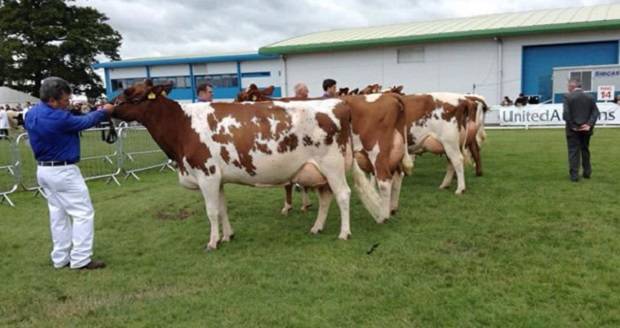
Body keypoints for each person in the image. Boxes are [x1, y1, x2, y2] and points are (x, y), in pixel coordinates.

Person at [24, 77, 114, 270]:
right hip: (63, 171)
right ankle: (81, 258)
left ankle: (60, 258)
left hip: (44, 170)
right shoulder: (59, 118)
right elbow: (85, 121)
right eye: (65, 99)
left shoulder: (31, 114)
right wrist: (104, 112)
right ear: (52, 100)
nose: (68, 103)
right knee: (83, 213)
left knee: (58, 215)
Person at [562, 79, 599, 182]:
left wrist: (573, 125)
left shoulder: (567, 97)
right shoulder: (590, 97)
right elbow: (595, 112)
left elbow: (566, 114)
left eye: (568, 86)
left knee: (573, 152)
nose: (567, 88)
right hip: (586, 129)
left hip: (573, 129)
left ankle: (574, 176)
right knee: (585, 149)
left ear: (571, 87)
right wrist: (588, 124)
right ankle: (587, 172)